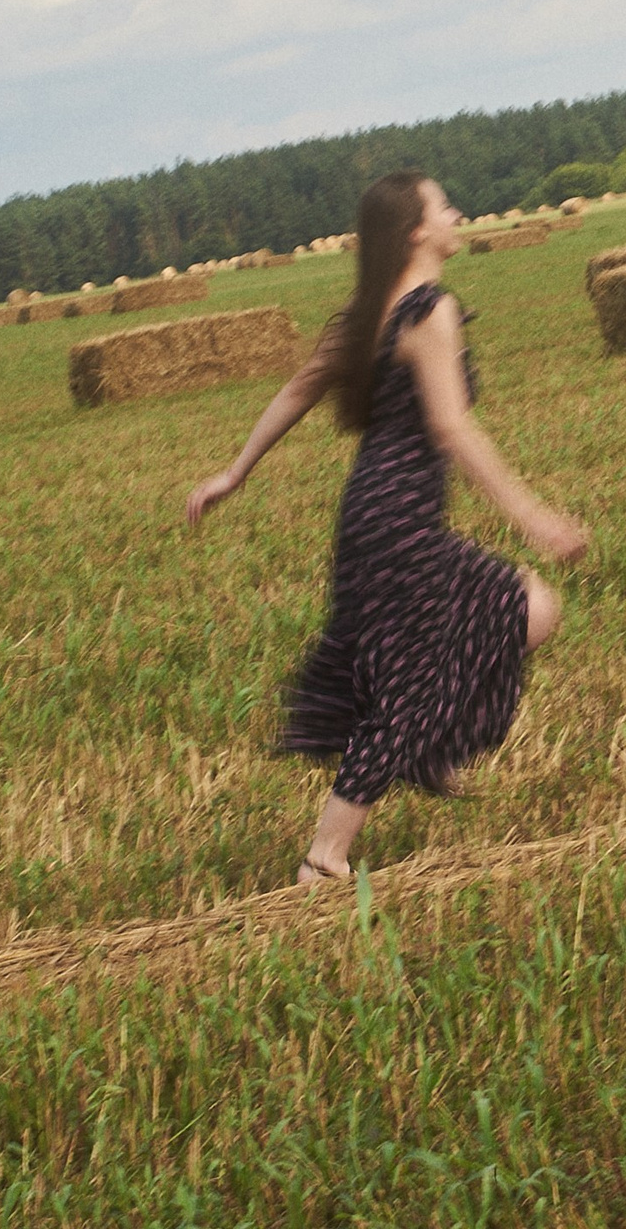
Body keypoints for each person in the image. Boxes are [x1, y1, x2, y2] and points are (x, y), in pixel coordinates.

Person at [186, 171, 589, 884]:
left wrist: (234, 472)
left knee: (528, 611)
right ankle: (326, 855)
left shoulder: (370, 311)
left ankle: (425, 755)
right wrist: (532, 517)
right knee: (418, 680)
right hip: (400, 521)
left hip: (369, 516)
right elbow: (451, 426)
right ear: (416, 231)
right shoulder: (427, 311)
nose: (458, 213)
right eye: (445, 206)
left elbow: (298, 389)